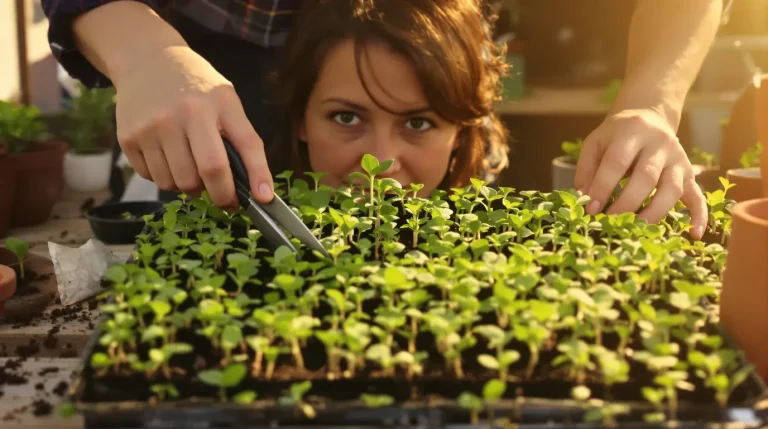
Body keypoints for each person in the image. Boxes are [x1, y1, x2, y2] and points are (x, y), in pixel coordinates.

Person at [41, 0, 728, 240]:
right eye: (347, 117)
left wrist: (652, 102)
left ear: (465, 130)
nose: (380, 163)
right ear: (298, 117)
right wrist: (146, 54)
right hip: (210, 58)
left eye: (419, 124)